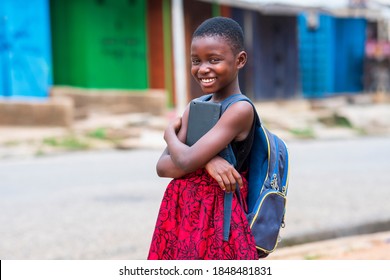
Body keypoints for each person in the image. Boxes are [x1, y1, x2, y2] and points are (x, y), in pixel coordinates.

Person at [147, 16, 258, 260]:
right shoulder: (197, 106)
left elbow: (184, 162)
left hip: (217, 217)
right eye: (196, 61)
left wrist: (170, 136)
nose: (203, 68)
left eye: (214, 60)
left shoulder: (239, 109)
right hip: (182, 210)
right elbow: (163, 167)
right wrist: (208, 161)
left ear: (239, 60)